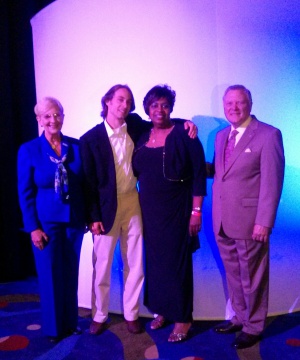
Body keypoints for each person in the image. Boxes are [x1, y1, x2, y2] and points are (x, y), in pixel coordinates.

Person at [79, 84, 197, 336]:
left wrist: (186, 121)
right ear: (108, 101)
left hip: (134, 201)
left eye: (128, 102)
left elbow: (161, 119)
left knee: (135, 262)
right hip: (104, 207)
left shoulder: (135, 126)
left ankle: (132, 314)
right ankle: (99, 315)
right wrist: (93, 217)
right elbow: (87, 183)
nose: (124, 105)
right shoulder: (89, 139)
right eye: (120, 100)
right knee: (102, 265)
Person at [211, 85, 285, 349]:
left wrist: (264, 221)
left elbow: (272, 182)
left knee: (252, 277)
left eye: (239, 103)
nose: (233, 107)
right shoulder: (221, 137)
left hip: (251, 222)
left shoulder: (268, 135)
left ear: (250, 104)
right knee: (234, 274)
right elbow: (223, 174)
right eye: (229, 103)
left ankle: (254, 326)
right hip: (222, 220)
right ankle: (240, 317)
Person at [132, 84, 207, 342]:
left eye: (165, 105)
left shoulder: (185, 134)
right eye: (154, 105)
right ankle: (163, 310)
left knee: (177, 265)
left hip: (177, 210)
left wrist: (196, 212)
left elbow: (199, 173)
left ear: (171, 108)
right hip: (149, 212)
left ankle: (183, 318)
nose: (159, 110)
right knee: (155, 263)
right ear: (147, 109)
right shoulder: (142, 134)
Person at [17, 97, 86, 343]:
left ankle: (71, 322)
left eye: (57, 115)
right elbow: (25, 193)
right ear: (39, 120)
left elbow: (85, 186)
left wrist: (88, 217)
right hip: (46, 223)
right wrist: (33, 228)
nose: (53, 120)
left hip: (74, 221)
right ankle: (54, 328)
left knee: (70, 272)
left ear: (63, 117)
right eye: (47, 116)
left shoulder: (76, 147)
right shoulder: (29, 150)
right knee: (49, 274)